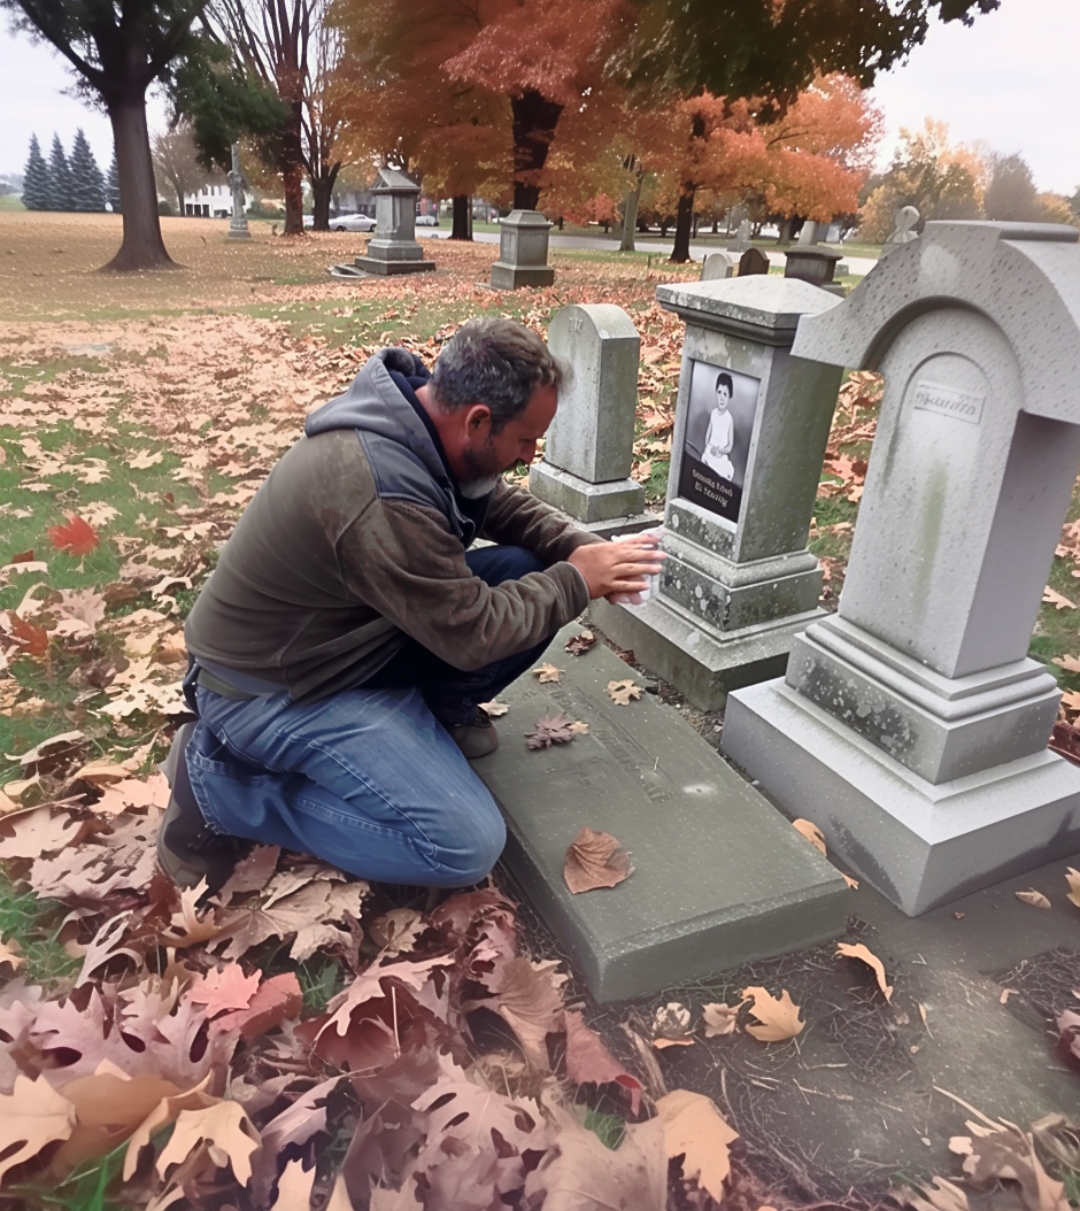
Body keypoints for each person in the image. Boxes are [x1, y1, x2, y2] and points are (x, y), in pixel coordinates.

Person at [157, 318, 664, 894]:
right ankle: (218, 788)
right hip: (273, 692)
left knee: (525, 568)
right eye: (525, 440)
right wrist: (577, 580)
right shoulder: (380, 488)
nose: (530, 455)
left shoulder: (420, 423)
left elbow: (499, 506)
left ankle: (432, 720)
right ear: (477, 421)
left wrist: (577, 548)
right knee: (462, 845)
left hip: (342, 644)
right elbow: (473, 632)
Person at [701, 371, 736, 481]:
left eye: (725, 394)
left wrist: (720, 451)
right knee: (706, 467)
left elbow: (730, 445)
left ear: (730, 396)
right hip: (711, 451)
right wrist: (709, 448)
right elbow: (708, 435)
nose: (721, 397)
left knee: (721, 472)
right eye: (719, 392)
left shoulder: (729, 419)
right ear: (716, 393)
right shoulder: (713, 413)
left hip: (721, 454)